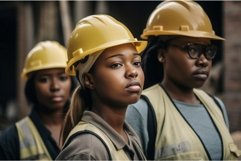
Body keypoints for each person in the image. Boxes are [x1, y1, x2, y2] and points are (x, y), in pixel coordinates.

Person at [126, 0, 241, 160]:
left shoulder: (216, 106)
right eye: (192, 49)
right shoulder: (142, 111)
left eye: (208, 50)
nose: (203, 60)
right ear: (162, 54)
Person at [55, 14, 147, 160]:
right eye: (116, 64)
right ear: (89, 80)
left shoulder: (129, 137)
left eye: (136, 62)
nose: (132, 72)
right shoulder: (87, 149)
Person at [0, 41, 74, 160]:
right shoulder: (11, 140)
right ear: (32, 86)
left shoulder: (86, 126)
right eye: (44, 79)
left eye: (62, 78)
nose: (55, 86)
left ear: (72, 82)